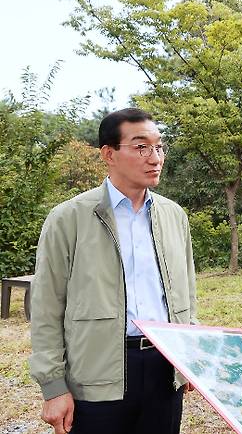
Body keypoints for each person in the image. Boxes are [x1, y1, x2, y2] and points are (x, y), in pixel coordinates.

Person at [29, 108, 197, 434]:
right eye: (141, 147)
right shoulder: (69, 218)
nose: (155, 157)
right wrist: (53, 387)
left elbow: (186, 294)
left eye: (159, 147)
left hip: (164, 367)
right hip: (96, 372)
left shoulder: (173, 216)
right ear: (109, 154)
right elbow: (47, 307)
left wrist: (188, 358)